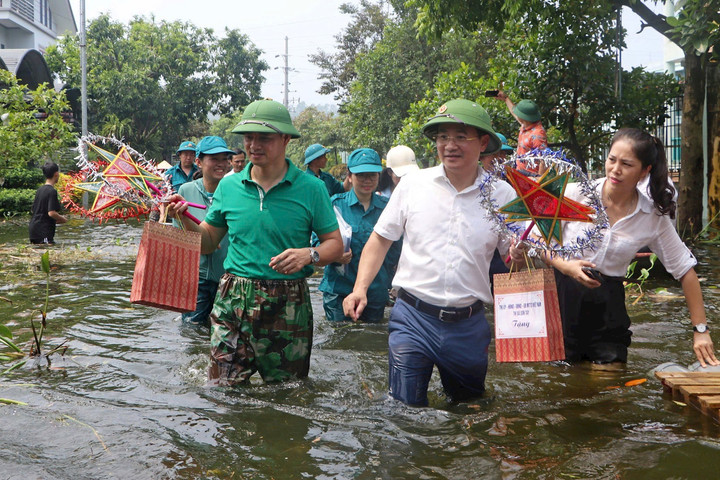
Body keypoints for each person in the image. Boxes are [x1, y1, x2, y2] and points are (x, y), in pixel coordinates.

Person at [343, 99, 524, 407]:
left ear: (483, 143)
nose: (449, 145)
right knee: (404, 412)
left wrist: (521, 255)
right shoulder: (414, 184)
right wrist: (359, 288)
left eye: (460, 137)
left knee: (468, 409)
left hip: (469, 324)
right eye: (442, 137)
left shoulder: (503, 195)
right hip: (412, 317)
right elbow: (380, 239)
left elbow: (517, 262)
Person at [167, 99, 343, 385]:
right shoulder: (230, 185)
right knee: (222, 389)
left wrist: (309, 254)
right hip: (233, 296)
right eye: (249, 137)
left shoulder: (311, 188)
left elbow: (334, 245)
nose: (254, 145)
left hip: (288, 303)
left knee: (287, 392)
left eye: (265, 138)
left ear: (286, 139)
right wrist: (183, 216)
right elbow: (210, 241)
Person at [543, 128, 718, 368]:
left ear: (645, 171)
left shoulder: (652, 216)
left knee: (609, 385)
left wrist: (701, 331)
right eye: (612, 159)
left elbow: (685, 271)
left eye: (626, 164)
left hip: (607, 305)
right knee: (565, 383)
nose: (615, 169)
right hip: (563, 298)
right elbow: (537, 240)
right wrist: (566, 266)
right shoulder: (575, 194)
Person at [319, 148, 401, 323]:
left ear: (379, 176)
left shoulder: (389, 208)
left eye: (372, 175)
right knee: (340, 341)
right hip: (339, 290)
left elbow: (396, 249)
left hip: (376, 290)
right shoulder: (335, 206)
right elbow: (317, 243)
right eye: (361, 175)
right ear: (349, 176)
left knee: (370, 341)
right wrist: (335, 255)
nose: (367, 180)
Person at [174, 136, 234, 327]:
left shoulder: (235, 192)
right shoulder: (185, 190)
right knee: (192, 329)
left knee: (225, 331)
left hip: (227, 277)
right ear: (199, 162)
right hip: (195, 277)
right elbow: (180, 237)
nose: (221, 164)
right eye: (214, 159)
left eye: (225, 159)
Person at [496, 92, 547, 175]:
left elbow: (544, 159)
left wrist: (538, 180)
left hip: (531, 176)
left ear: (524, 117)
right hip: (521, 171)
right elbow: (514, 112)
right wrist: (506, 98)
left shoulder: (538, 134)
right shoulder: (526, 124)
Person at [29, 161, 68, 245]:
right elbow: (51, 213)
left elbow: (35, 210)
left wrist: (55, 221)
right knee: (48, 253)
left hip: (33, 229)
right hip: (43, 231)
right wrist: (62, 219)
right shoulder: (52, 191)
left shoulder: (39, 190)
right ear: (56, 174)